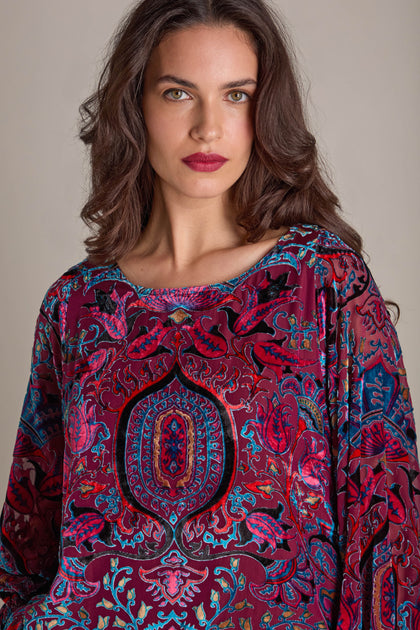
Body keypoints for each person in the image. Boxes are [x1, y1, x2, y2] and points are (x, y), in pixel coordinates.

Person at [0, 0, 419, 627]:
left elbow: (389, 534)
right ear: (136, 105)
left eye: (236, 96)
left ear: (264, 111)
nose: (207, 128)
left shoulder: (320, 283)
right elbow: (26, 545)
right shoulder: (78, 305)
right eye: (177, 93)